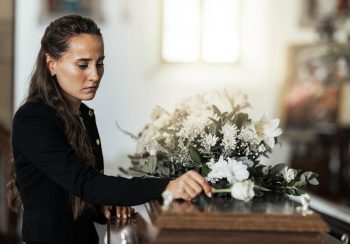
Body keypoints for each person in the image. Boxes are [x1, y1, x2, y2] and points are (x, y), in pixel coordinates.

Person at [7, 15, 212, 244]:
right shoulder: (33, 119)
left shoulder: (84, 115)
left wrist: (101, 205)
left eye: (100, 63)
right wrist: (168, 186)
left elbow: (72, 191)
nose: (94, 75)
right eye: (83, 65)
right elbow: (86, 183)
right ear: (51, 63)